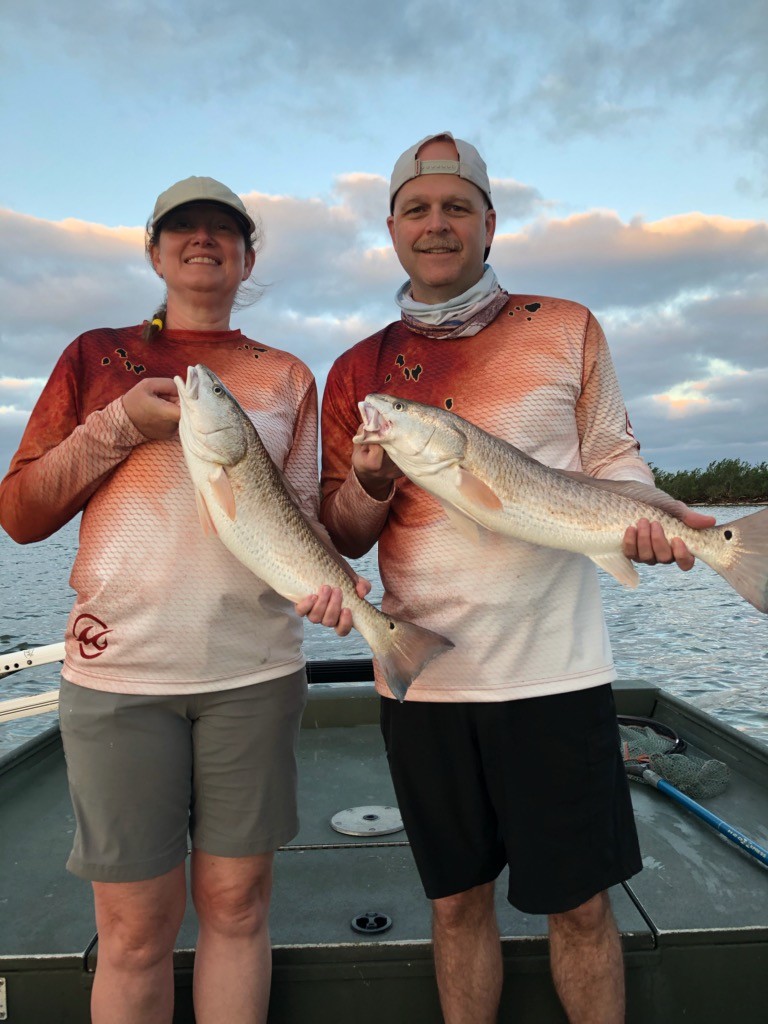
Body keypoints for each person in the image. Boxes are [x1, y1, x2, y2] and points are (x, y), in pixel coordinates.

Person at [319, 134, 716, 1024]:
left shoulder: (566, 324)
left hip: (556, 669)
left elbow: (614, 458)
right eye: (417, 208)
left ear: (490, 222)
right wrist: (375, 479)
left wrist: (651, 520)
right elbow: (340, 529)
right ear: (390, 228)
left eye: (457, 206)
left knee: (580, 905)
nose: (437, 224)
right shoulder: (357, 371)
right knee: (456, 902)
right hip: (426, 678)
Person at [0, 175, 363, 1024]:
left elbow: (303, 521)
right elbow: (19, 513)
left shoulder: (284, 376)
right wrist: (120, 423)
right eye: (184, 228)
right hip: (120, 678)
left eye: (223, 230)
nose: (204, 241)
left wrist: (335, 588)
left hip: (255, 673)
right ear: (155, 249)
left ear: (247, 255)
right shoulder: (95, 356)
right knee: (133, 932)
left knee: (238, 906)